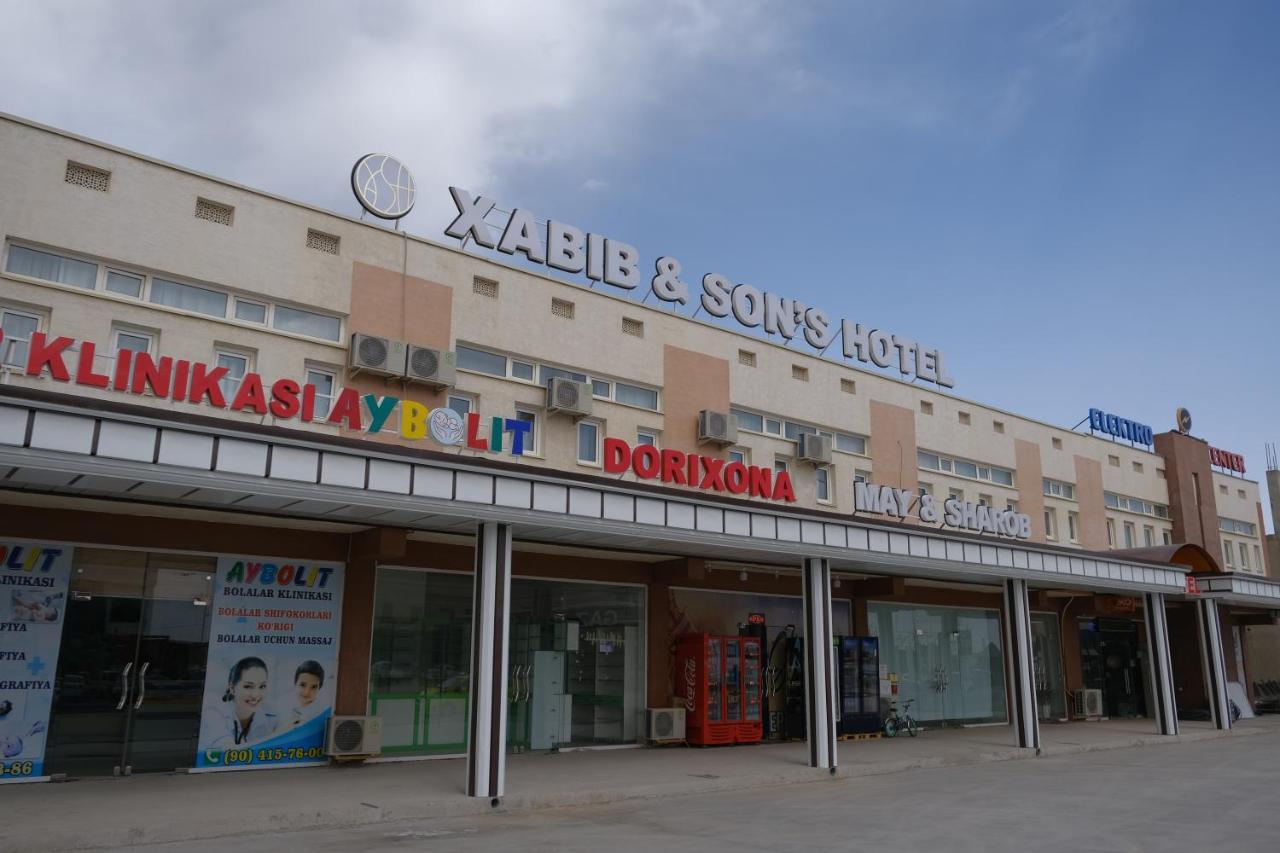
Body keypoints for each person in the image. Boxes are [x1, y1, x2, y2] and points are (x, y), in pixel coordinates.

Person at [202, 657, 278, 749]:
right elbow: (227, 752)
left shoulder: (273, 716)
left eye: (262, 686)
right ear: (232, 688)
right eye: (248, 686)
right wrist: (277, 736)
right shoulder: (213, 714)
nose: (255, 695)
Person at [287, 660, 325, 728]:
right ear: (295, 684)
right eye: (302, 685)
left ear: (319, 688)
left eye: (313, 687)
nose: (307, 692)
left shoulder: (320, 715)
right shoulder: (291, 711)